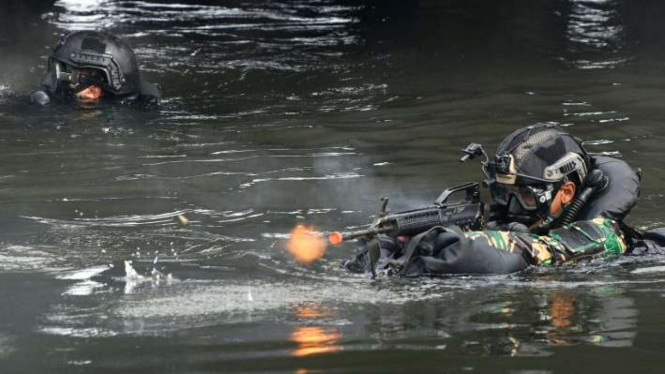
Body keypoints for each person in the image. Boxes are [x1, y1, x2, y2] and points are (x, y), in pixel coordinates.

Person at [344, 123, 645, 276]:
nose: (512, 206)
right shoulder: (516, 217)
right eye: (504, 193)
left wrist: (448, 243)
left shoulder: (606, 235)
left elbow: (533, 250)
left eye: (526, 194)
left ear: (565, 193)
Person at [29, 31, 161, 108]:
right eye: (66, 70)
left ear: (94, 91)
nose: (67, 78)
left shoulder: (139, 110)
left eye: (71, 75)